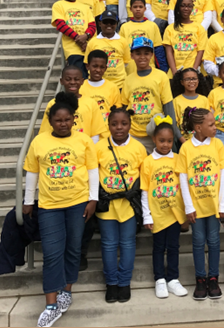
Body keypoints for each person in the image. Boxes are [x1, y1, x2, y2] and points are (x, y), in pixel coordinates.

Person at [22, 91, 98, 328]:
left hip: (77, 203)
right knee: (52, 252)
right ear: (51, 121)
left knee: (73, 249)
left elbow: (92, 170)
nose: (63, 124)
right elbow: (32, 172)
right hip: (49, 206)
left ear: (73, 119)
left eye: (67, 119)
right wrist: (28, 201)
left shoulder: (83, 140)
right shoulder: (40, 141)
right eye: (58, 120)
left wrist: (93, 199)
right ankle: (50, 305)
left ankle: (67, 290)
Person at [96, 105, 147, 304]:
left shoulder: (138, 148)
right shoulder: (99, 147)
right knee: (108, 244)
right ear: (108, 125)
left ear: (130, 125)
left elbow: (144, 178)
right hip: (107, 205)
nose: (119, 128)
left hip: (129, 205)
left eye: (124, 123)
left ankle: (124, 282)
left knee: (127, 243)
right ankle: (111, 283)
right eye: (114, 124)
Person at [177, 108, 224, 300]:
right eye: (211, 124)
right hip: (196, 207)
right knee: (198, 242)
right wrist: (188, 206)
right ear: (198, 128)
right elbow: (183, 178)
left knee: (214, 241)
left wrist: (223, 204)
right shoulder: (186, 149)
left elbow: (223, 175)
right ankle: (200, 279)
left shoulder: (218, 145)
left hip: (214, 205)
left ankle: (213, 277)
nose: (215, 127)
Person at [140, 116, 188, 299]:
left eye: (169, 141)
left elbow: (183, 186)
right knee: (159, 247)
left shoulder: (178, 159)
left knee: (174, 246)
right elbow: (144, 191)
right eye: (162, 141)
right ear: (154, 139)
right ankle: (159, 279)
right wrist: (147, 215)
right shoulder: (148, 162)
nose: (166, 144)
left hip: (175, 213)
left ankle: (173, 279)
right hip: (157, 213)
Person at [119, 36, 176, 152]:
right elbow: (124, 108)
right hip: (134, 134)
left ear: (151, 55)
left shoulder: (161, 76)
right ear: (132, 55)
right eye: (138, 53)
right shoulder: (128, 80)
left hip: (154, 134)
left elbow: (168, 107)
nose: (142, 57)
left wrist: (173, 133)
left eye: (146, 53)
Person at [38, 66, 103, 141]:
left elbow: (95, 133)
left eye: (76, 79)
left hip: (83, 147)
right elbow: (46, 131)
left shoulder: (91, 103)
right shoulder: (53, 103)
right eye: (68, 79)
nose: (72, 82)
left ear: (82, 81)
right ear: (61, 81)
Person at [52, 0, 96, 80]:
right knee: (80, 78)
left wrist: (86, 36)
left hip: (89, 47)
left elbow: (92, 25)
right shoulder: (58, 5)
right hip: (73, 50)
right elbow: (61, 25)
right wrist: (79, 39)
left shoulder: (84, 7)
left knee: (92, 78)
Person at [163, 0, 207, 78]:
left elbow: (200, 51)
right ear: (178, 7)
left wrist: (193, 71)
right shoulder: (170, 28)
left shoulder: (199, 28)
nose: (186, 9)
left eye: (189, 6)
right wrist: (174, 72)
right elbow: (169, 52)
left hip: (195, 73)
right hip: (175, 73)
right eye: (183, 5)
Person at [85, 11, 131, 90]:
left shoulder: (123, 41)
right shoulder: (92, 42)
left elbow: (125, 63)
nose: (109, 25)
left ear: (116, 24)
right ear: (100, 23)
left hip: (119, 84)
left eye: (112, 22)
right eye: (105, 22)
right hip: (98, 84)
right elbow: (87, 63)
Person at [80, 51, 120, 139]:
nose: (98, 70)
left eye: (102, 67)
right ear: (88, 66)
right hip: (86, 134)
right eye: (95, 66)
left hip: (107, 135)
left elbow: (116, 113)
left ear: (106, 68)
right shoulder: (80, 87)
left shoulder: (112, 87)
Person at [120, 0, 166, 73]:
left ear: (145, 9)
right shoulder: (124, 27)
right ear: (130, 9)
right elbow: (122, 50)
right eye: (135, 7)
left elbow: (158, 49)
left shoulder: (153, 26)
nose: (138, 9)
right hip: (129, 69)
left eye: (140, 7)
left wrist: (163, 68)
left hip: (149, 68)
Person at [172, 68, 210, 145]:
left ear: (198, 80)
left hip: (202, 141)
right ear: (182, 82)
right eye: (187, 79)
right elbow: (174, 125)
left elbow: (207, 122)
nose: (191, 81)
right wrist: (183, 141)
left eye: (194, 79)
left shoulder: (204, 100)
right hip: (183, 142)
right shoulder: (176, 101)